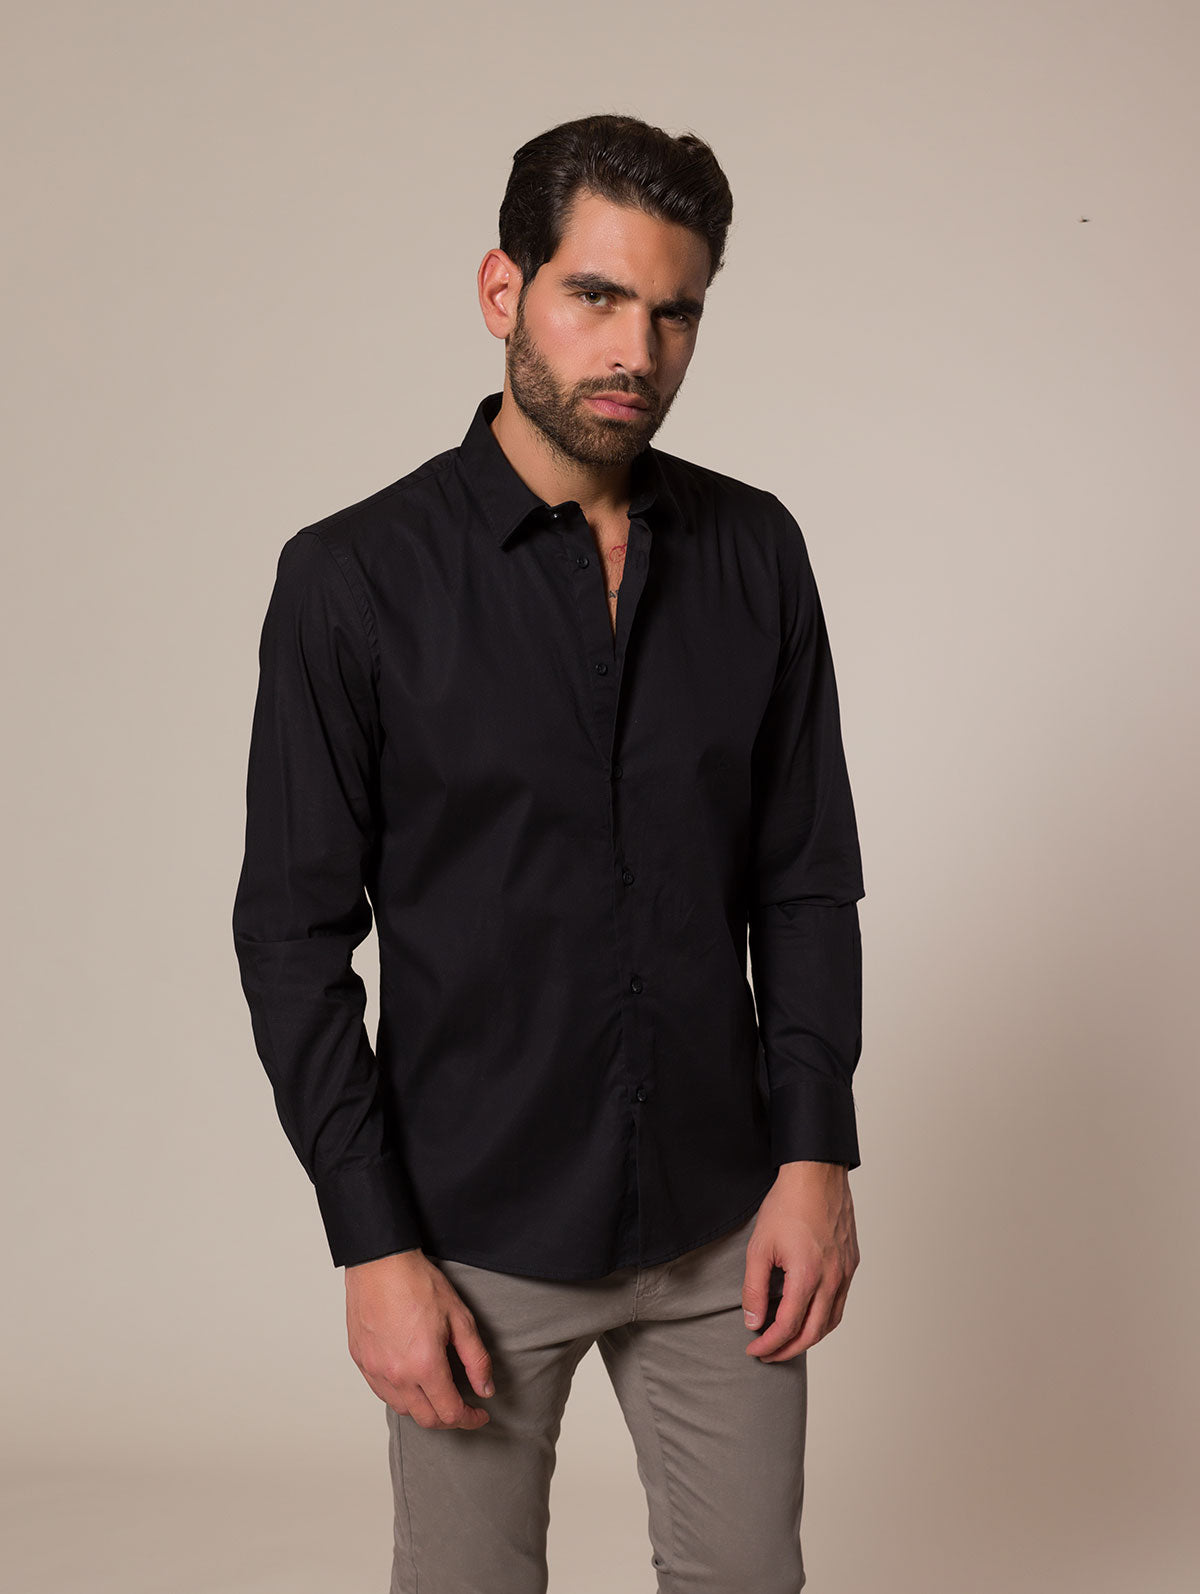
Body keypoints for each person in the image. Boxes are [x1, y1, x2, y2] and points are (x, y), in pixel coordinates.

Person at [232, 112, 866, 1594]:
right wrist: (372, 1244)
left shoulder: (757, 552)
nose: (635, 349)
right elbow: (291, 937)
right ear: (502, 290)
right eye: (596, 295)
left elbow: (804, 875)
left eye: (675, 311)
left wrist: (815, 1152)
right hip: (469, 1236)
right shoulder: (351, 581)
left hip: (724, 1223)